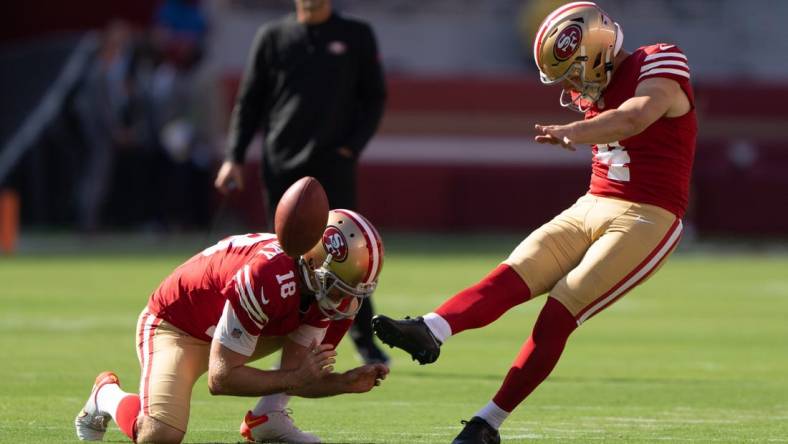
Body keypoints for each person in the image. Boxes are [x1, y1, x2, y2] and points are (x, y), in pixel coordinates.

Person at [372, 2, 697, 443]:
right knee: (513, 274)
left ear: (597, 49)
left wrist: (573, 131)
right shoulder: (594, 85)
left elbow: (636, 116)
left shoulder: (659, 59)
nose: (571, 84)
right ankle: (431, 329)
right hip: (592, 204)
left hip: (648, 217)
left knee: (560, 310)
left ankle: (488, 422)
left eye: (572, 70)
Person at [75, 209, 389, 444]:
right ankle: (106, 395)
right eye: (339, 288)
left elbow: (299, 378)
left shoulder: (324, 288)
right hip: (177, 327)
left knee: (306, 352)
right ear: (314, 262)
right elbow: (222, 379)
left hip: (244, 322)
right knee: (160, 433)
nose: (347, 302)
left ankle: (267, 417)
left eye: (354, 290)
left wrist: (343, 383)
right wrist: (295, 376)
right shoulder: (267, 276)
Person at [213, 0, 389, 366]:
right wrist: (234, 157)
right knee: (283, 254)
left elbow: (374, 98)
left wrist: (350, 148)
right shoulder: (272, 37)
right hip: (282, 165)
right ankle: (274, 336)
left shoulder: (355, 35)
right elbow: (249, 102)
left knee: (348, 255)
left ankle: (363, 340)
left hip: (333, 165)